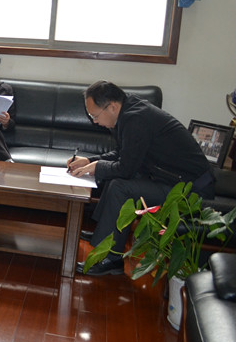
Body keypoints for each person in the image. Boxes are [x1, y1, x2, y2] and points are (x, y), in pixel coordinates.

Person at [69, 81, 215, 276]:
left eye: (95, 116)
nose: (94, 121)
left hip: (190, 189)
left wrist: (97, 167)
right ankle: (104, 235)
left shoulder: (136, 119)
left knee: (120, 187)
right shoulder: (128, 112)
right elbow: (123, 154)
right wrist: (90, 160)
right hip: (170, 179)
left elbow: (126, 169)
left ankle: (111, 258)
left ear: (112, 106)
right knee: (114, 180)